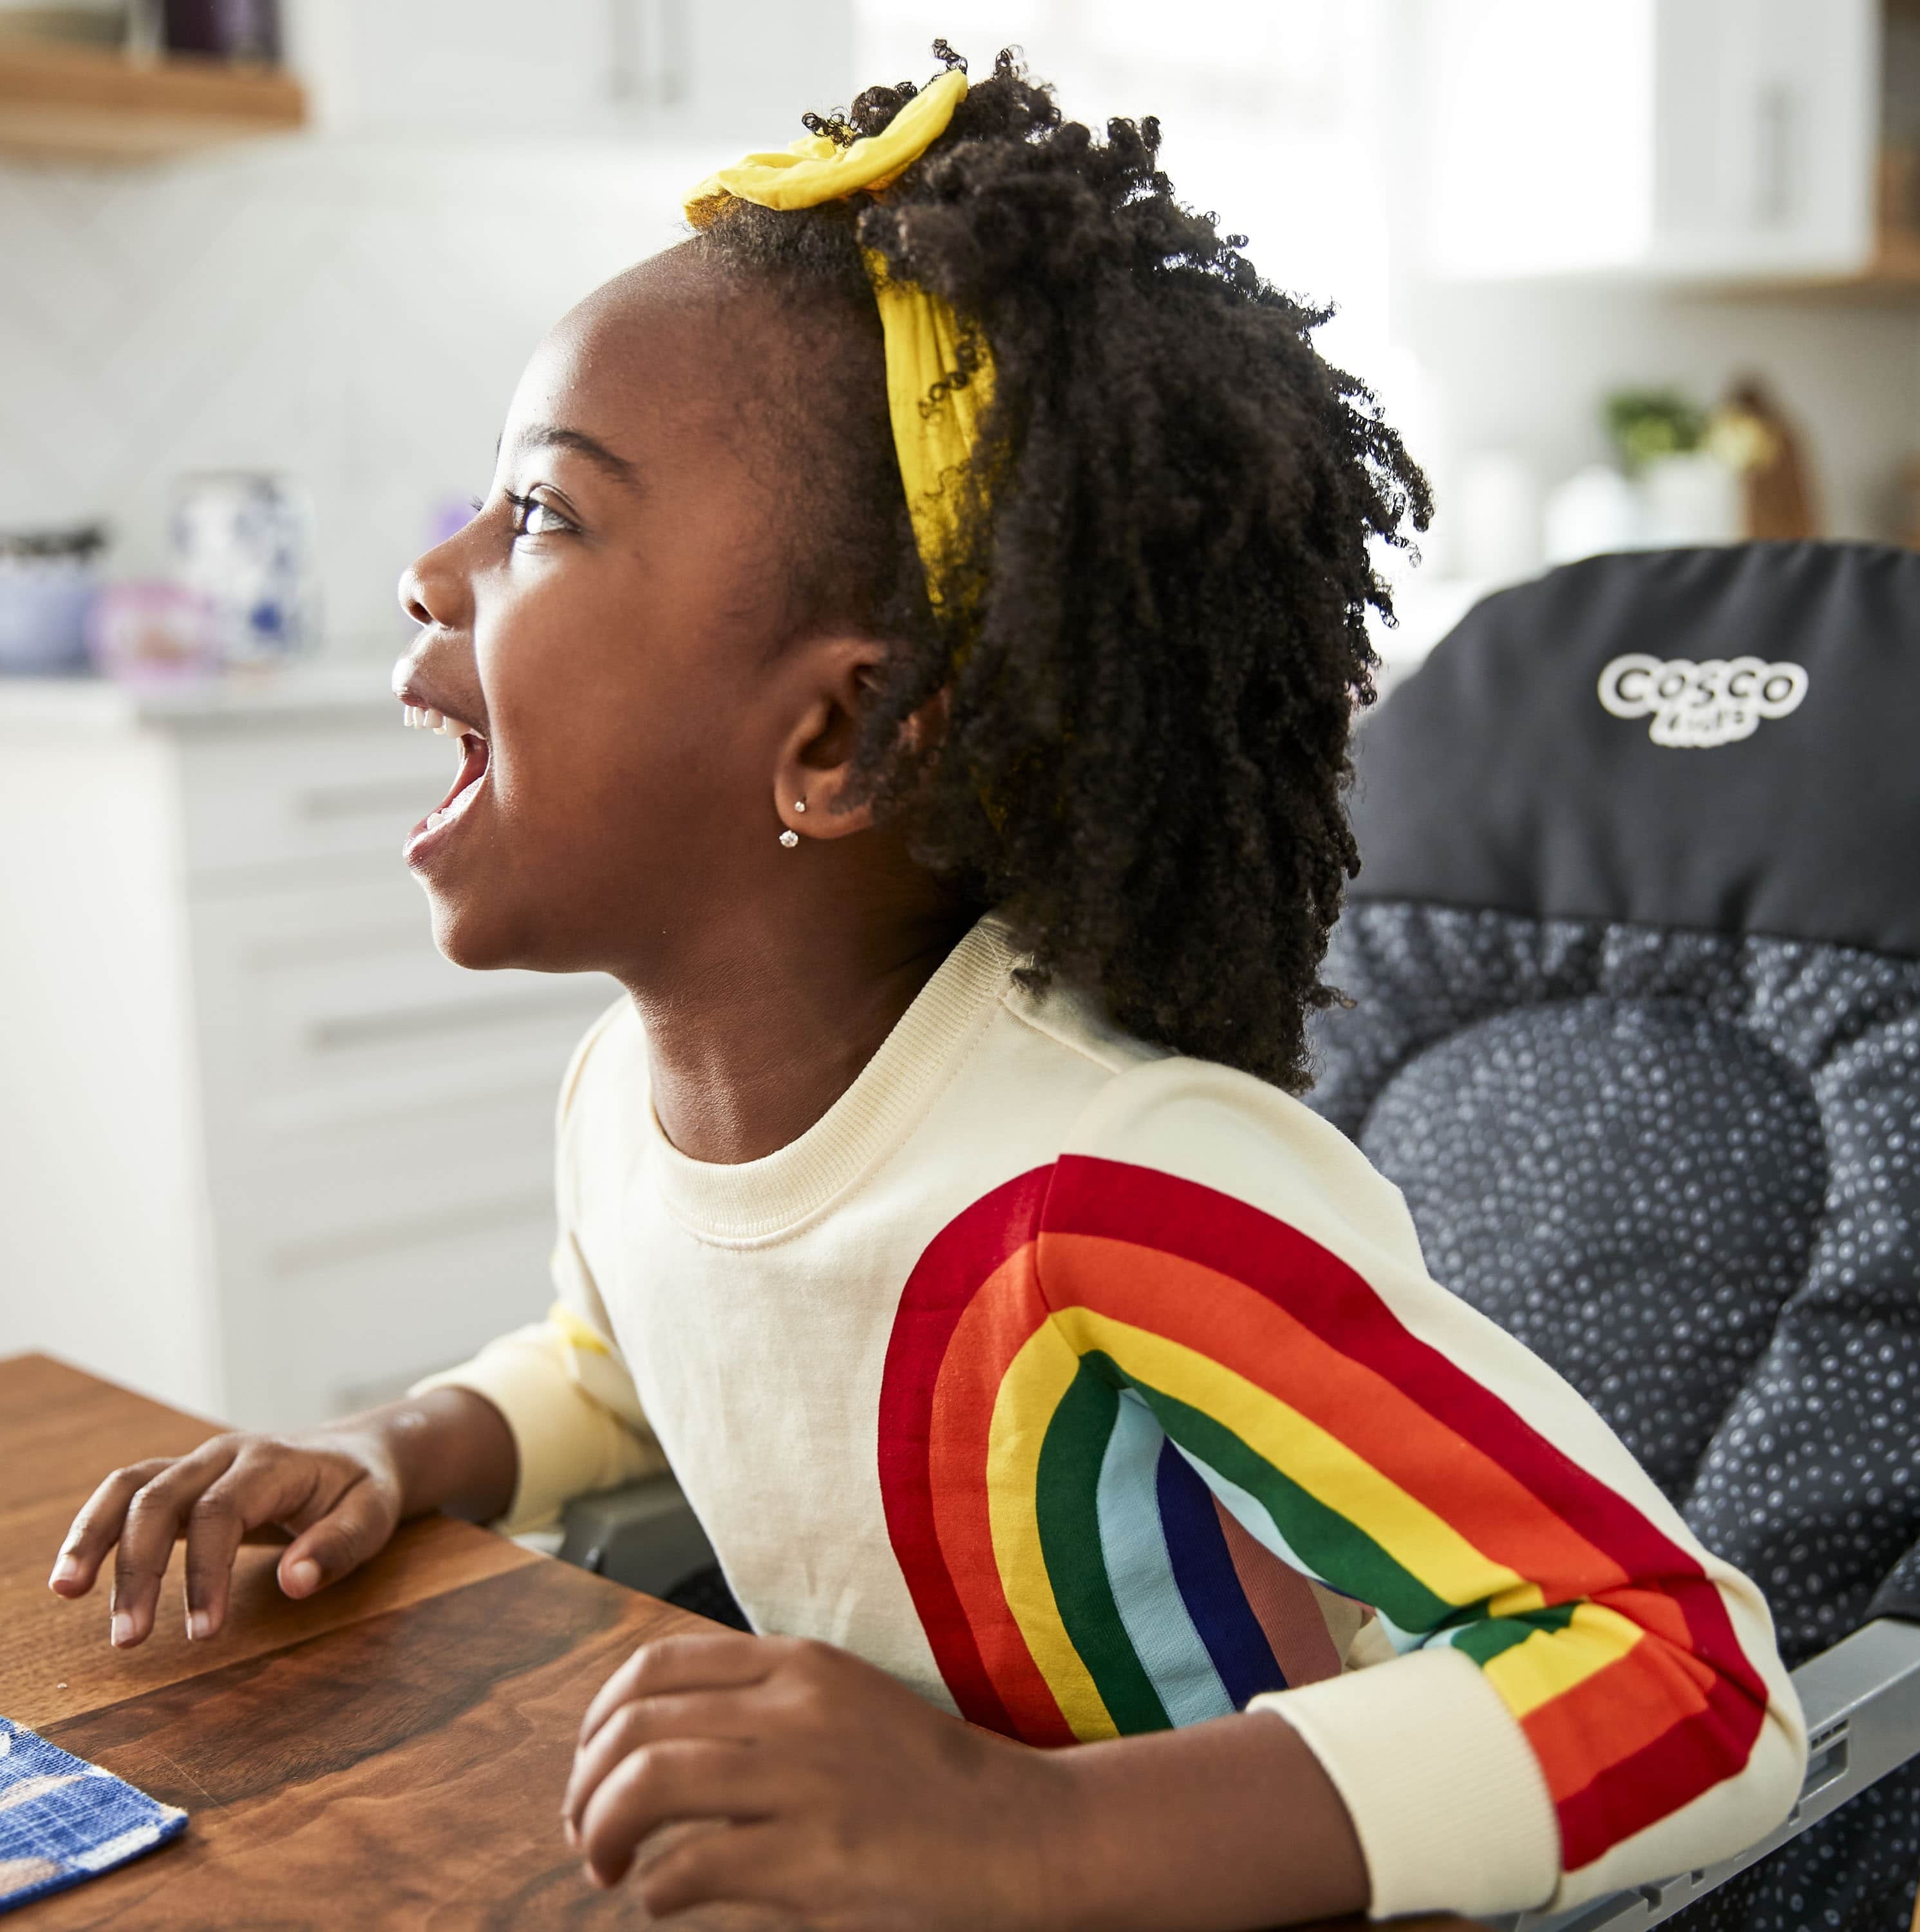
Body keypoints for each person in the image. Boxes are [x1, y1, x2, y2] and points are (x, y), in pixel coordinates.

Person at [47, 47, 1803, 1932]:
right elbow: (628, 1364)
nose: (431, 570)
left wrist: (1024, 1835)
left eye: (544, 517)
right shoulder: (624, 1114)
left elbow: (1692, 1677)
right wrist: (397, 1449)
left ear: (838, 735)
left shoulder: (1114, 1194)